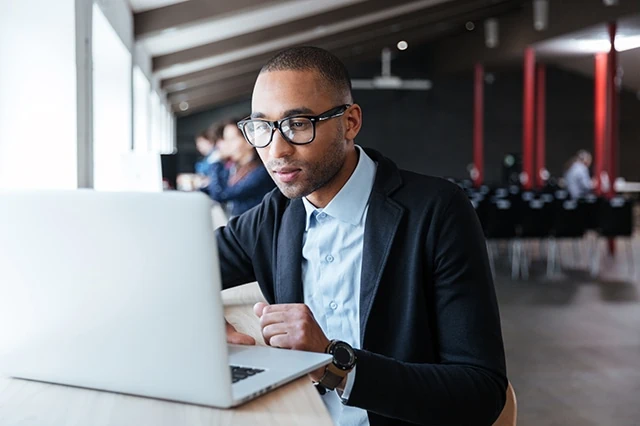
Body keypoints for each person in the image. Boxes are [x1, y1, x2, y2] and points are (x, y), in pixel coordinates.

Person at [218, 47, 507, 426]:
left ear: (350, 122)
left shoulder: (437, 212)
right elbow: (175, 267)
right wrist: (210, 328)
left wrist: (335, 362)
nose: (276, 150)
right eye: (262, 128)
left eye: (298, 124)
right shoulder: (275, 215)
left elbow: (480, 392)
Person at [207, 118, 275, 217]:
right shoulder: (235, 167)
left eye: (232, 139)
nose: (227, 145)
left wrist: (216, 161)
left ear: (248, 141)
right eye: (226, 139)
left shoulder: (261, 171)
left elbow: (221, 194)